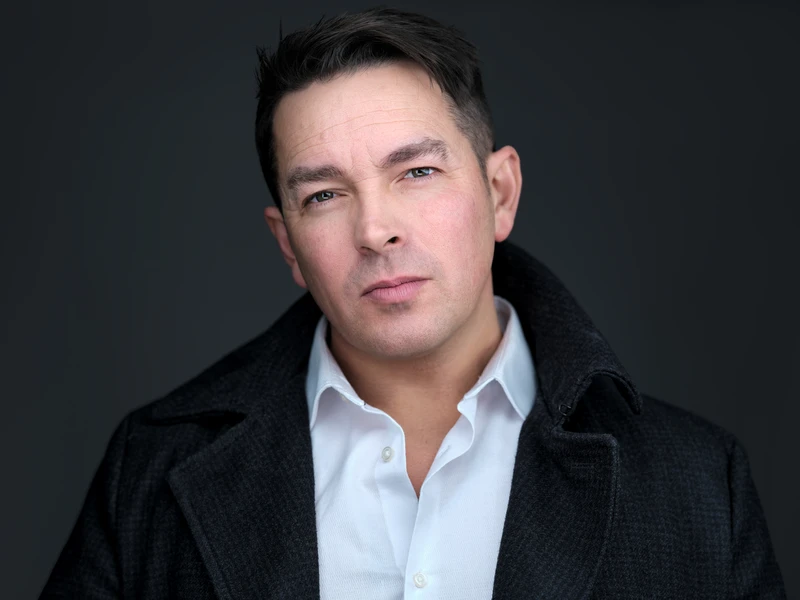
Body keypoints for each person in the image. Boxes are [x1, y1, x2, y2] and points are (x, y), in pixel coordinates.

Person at [40, 7, 785, 599]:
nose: (375, 229)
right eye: (325, 194)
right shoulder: (153, 465)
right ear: (288, 244)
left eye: (418, 172)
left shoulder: (695, 482)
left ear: (500, 194)